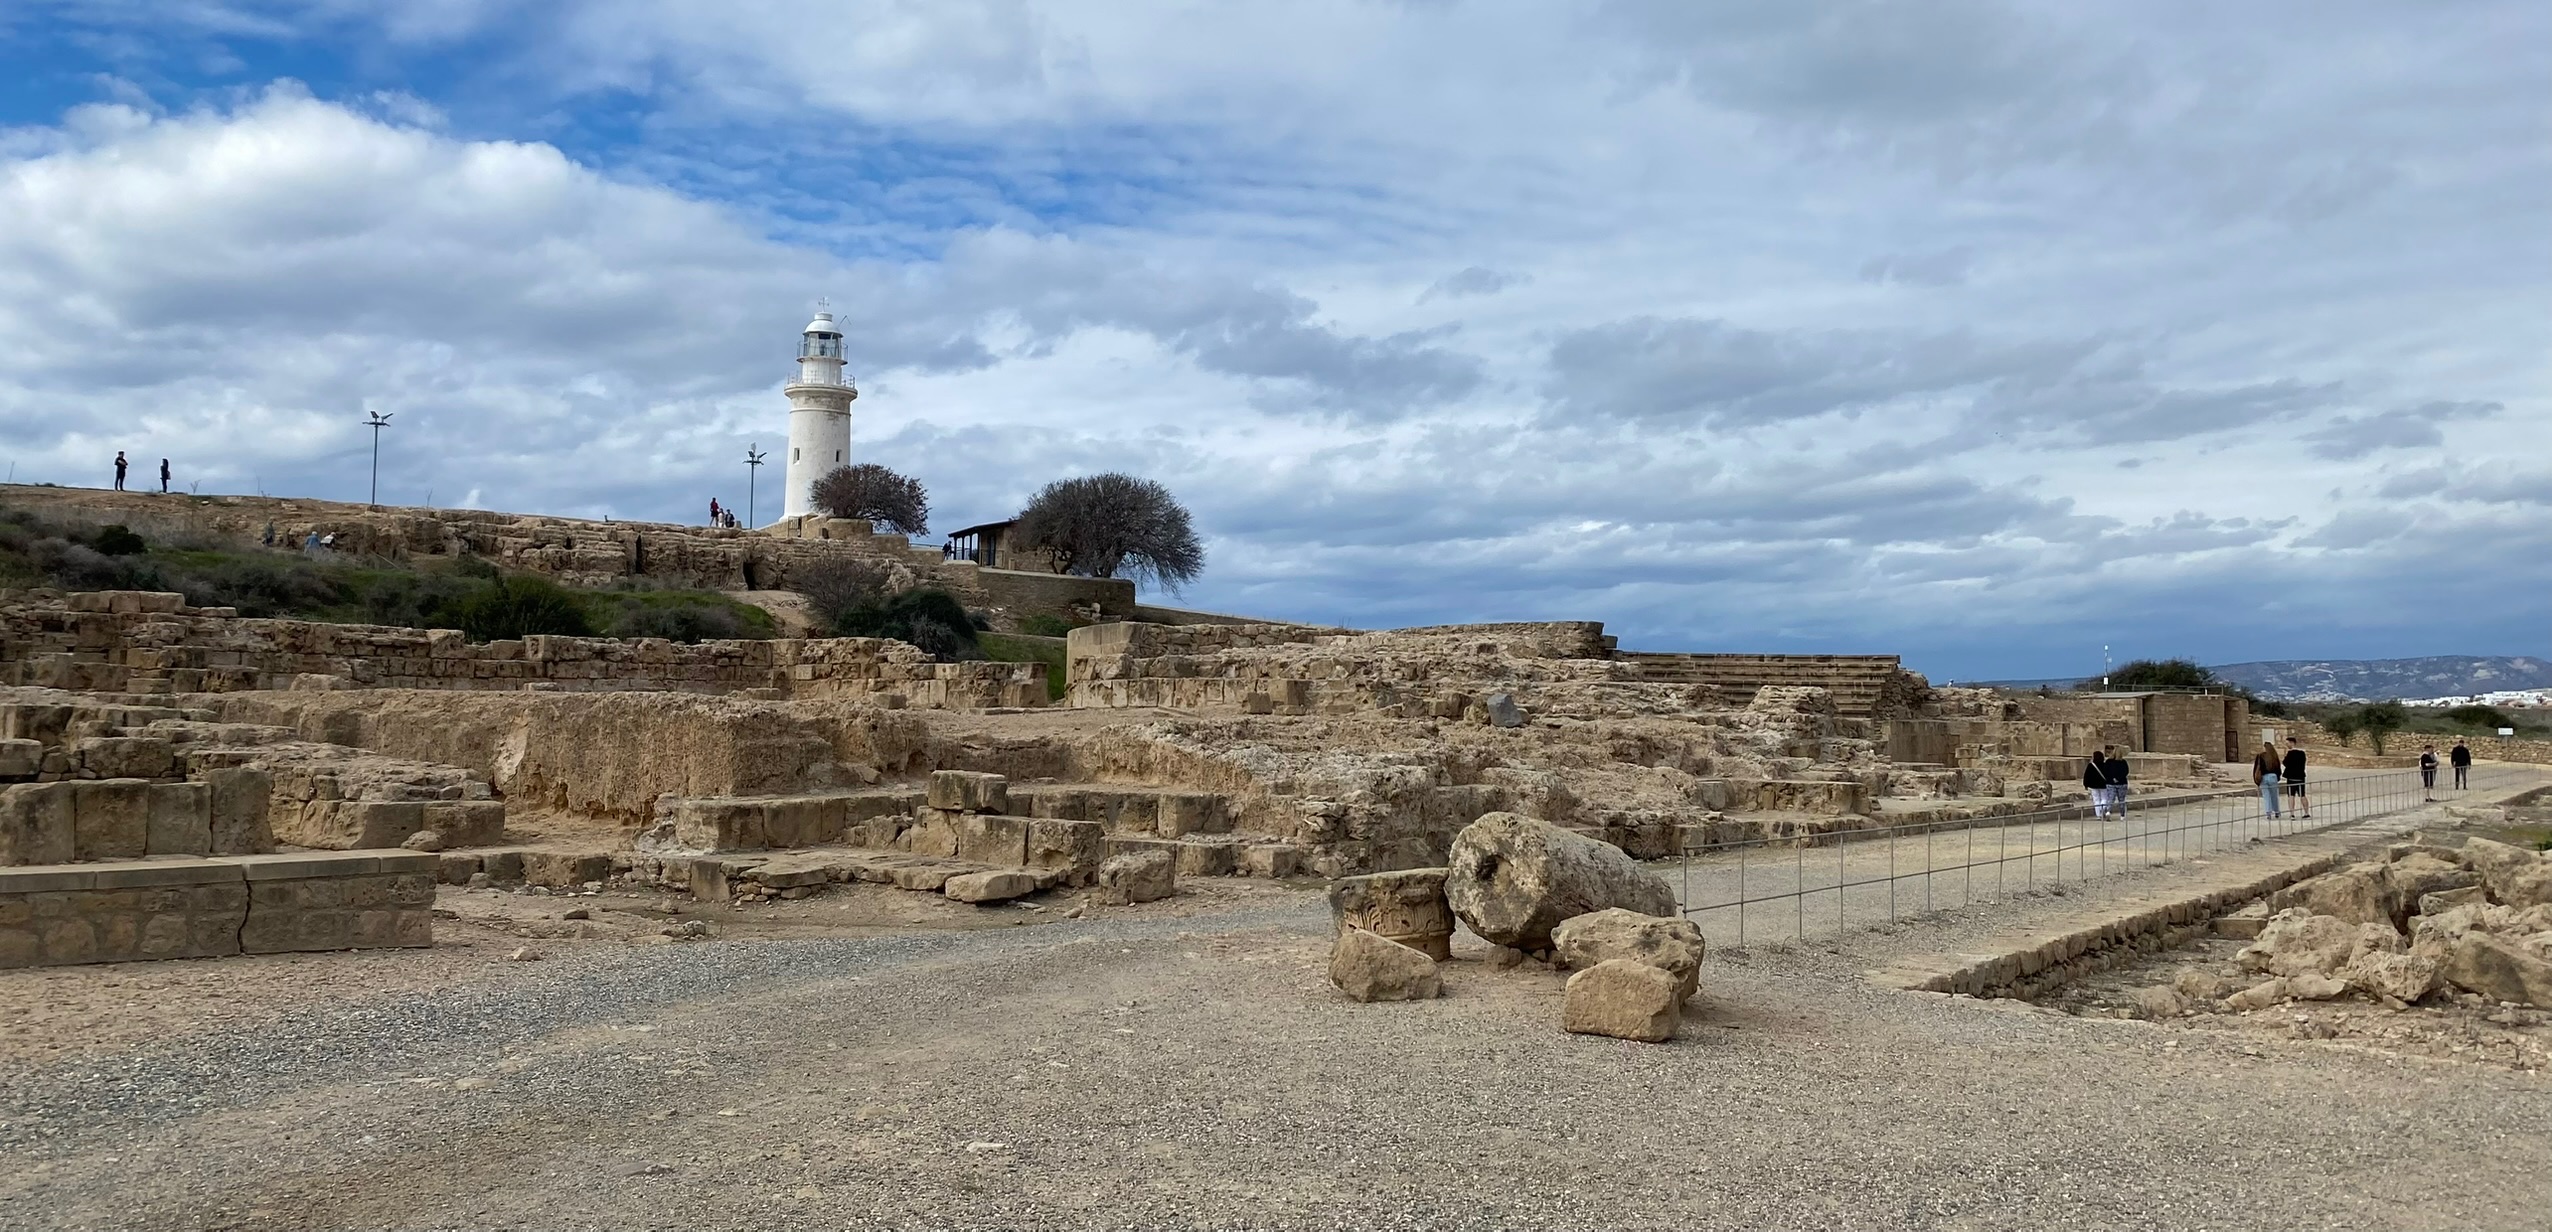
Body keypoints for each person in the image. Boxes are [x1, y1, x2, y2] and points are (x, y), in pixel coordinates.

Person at [2252, 741, 2283, 819]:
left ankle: (2268, 813)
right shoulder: (2274, 756)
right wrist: (2278, 777)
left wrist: (2256, 780)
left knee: (2266, 796)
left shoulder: (2260, 756)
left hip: (2264, 777)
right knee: (2274, 795)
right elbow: (2278, 768)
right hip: (2273, 776)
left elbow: (2256, 768)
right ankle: (2277, 811)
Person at [2281, 742, 2310, 819]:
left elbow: (2285, 763)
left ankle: (2292, 814)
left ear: (2292, 743)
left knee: (2291, 795)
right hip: (2300, 777)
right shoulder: (2302, 753)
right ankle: (2306, 813)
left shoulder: (2290, 753)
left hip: (2291, 777)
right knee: (2302, 795)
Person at [2102, 744, 2130, 817]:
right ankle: (2122, 815)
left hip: (2110, 783)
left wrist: (2112, 778)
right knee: (2121, 800)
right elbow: (2126, 772)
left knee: (2111, 798)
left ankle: (2108, 811)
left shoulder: (2108, 762)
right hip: (2122, 783)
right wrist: (2118, 779)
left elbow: (2105, 772)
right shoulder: (2123, 762)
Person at [2082, 750, 2111, 818]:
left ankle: (2098, 814)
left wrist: (2085, 784)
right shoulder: (2105, 765)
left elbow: (2086, 775)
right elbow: (2108, 775)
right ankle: (2102, 809)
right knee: (2104, 798)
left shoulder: (2091, 765)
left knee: (2096, 799)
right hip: (2103, 785)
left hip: (2093, 785)